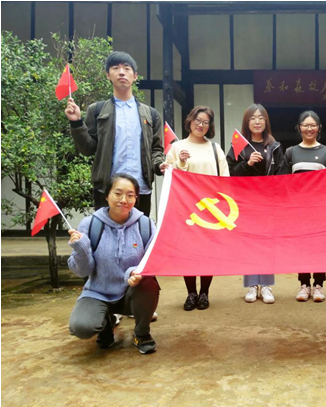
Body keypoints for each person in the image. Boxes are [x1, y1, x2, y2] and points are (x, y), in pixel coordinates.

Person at [68, 174, 160, 354]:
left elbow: (152, 261)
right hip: (98, 292)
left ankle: (141, 333)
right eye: (118, 193)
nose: (123, 200)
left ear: (136, 198)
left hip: (131, 292)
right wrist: (81, 251)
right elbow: (83, 271)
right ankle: (105, 325)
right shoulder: (90, 224)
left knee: (149, 284)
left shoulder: (146, 225)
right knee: (81, 327)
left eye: (130, 195)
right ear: (107, 195)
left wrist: (134, 273)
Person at [65, 51, 164, 217]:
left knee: (138, 232)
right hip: (107, 189)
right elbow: (88, 149)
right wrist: (76, 123)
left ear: (135, 76)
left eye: (127, 68)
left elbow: (156, 150)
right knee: (105, 232)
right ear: (108, 75)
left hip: (140, 189)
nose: (122, 72)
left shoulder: (151, 114)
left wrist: (159, 165)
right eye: (115, 68)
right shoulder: (97, 110)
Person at [160, 106, 229, 311]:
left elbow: (225, 178)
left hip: (211, 208)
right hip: (185, 208)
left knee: (208, 251)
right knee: (187, 251)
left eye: (205, 122)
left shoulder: (215, 148)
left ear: (210, 126)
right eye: (198, 120)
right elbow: (169, 176)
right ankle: (191, 293)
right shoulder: (176, 147)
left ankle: (204, 292)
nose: (201, 125)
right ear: (190, 121)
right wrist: (181, 162)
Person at [226, 104, 283, 304]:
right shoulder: (238, 146)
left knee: (267, 243)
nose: (257, 121)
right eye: (253, 118)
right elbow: (230, 174)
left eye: (261, 118)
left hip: (268, 202)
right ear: (247, 122)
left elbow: (281, 175)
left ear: (266, 121)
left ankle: (266, 286)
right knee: (249, 242)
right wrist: (247, 163)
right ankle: (251, 285)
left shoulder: (275, 146)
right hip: (245, 202)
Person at [279, 110, 326, 302]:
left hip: (321, 210)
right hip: (298, 210)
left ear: (319, 128)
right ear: (299, 128)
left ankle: (319, 285)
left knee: (320, 247)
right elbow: (283, 181)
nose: (309, 129)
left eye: (313, 125)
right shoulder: (290, 152)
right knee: (302, 247)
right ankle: (304, 284)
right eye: (305, 125)